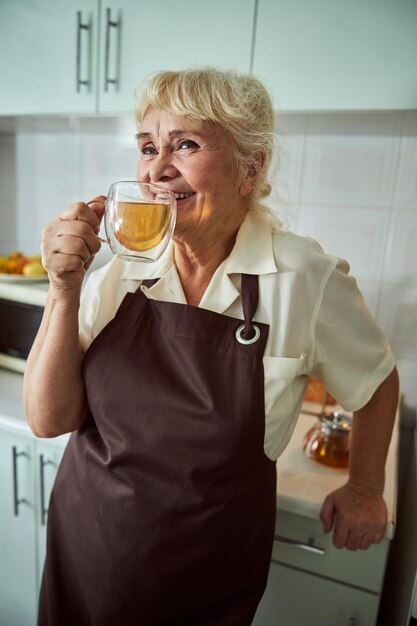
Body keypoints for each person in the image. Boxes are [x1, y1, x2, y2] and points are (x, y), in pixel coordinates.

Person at [24, 67, 399, 626]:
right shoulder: (120, 273)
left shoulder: (302, 276)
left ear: (251, 168)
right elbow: (49, 420)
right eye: (148, 146)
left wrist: (366, 489)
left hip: (204, 572)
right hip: (88, 550)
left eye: (186, 144)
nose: (156, 168)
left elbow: (375, 381)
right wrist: (62, 289)